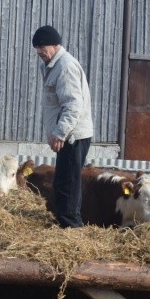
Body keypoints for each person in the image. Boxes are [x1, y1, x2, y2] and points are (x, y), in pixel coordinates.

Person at [32, 25, 94, 228]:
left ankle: (72, 227)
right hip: (67, 135)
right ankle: (64, 221)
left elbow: (73, 105)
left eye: (43, 46)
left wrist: (59, 133)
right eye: (37, 47)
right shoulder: (52, 66)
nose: (40, 51)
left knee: (68, 182)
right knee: (63, 181)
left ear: (56, 45)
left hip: (72, 135)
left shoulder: (65, 66)